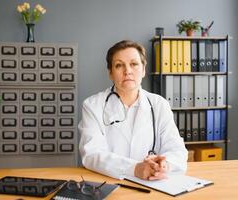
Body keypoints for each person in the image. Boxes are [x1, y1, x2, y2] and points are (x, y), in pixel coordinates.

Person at [79, 40, 187, 180]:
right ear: (111, 73)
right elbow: (91, 154)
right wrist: (135, 169)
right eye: (119, 65)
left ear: (143, 69)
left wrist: (164, 165)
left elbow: (177, 149)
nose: (127, 71)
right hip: (108, 182)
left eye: (134, 64)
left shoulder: (159, 104)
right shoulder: (93, 105)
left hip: (152, 183)